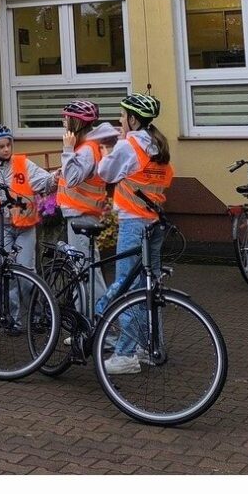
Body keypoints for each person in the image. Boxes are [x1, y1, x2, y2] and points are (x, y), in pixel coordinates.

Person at [93, 93, 175, 376]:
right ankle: (149, 347)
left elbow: (105, 173)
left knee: (127, 288)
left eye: (122, 115)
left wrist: (108, 150)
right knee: (149, 288)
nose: (119, 120)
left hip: (133, 224)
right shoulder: (158, 145)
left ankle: (125, 353)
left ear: (132, 119)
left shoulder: (128, 145)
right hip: (155, 223)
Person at [0, 123, 56, 326]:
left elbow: (45, 181)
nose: (6, 150)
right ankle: (13, 320)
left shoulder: (23, 164)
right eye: (1, 146)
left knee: (26, 274)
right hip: (3, 228)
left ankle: (37, 317)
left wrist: (56, 177)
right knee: (6, 274)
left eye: (8, 145)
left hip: (25, 227)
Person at [56, 101, 120, 306]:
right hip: (80, 214)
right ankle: (85, 319)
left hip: (82, 215)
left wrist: (67, 149)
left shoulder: (86, 149)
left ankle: (100, 319)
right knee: (83, 268)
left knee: (86, 270)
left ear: (75, 122)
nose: (63, 121)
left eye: (66, 118)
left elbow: (72, 178)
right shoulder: (86, 147)